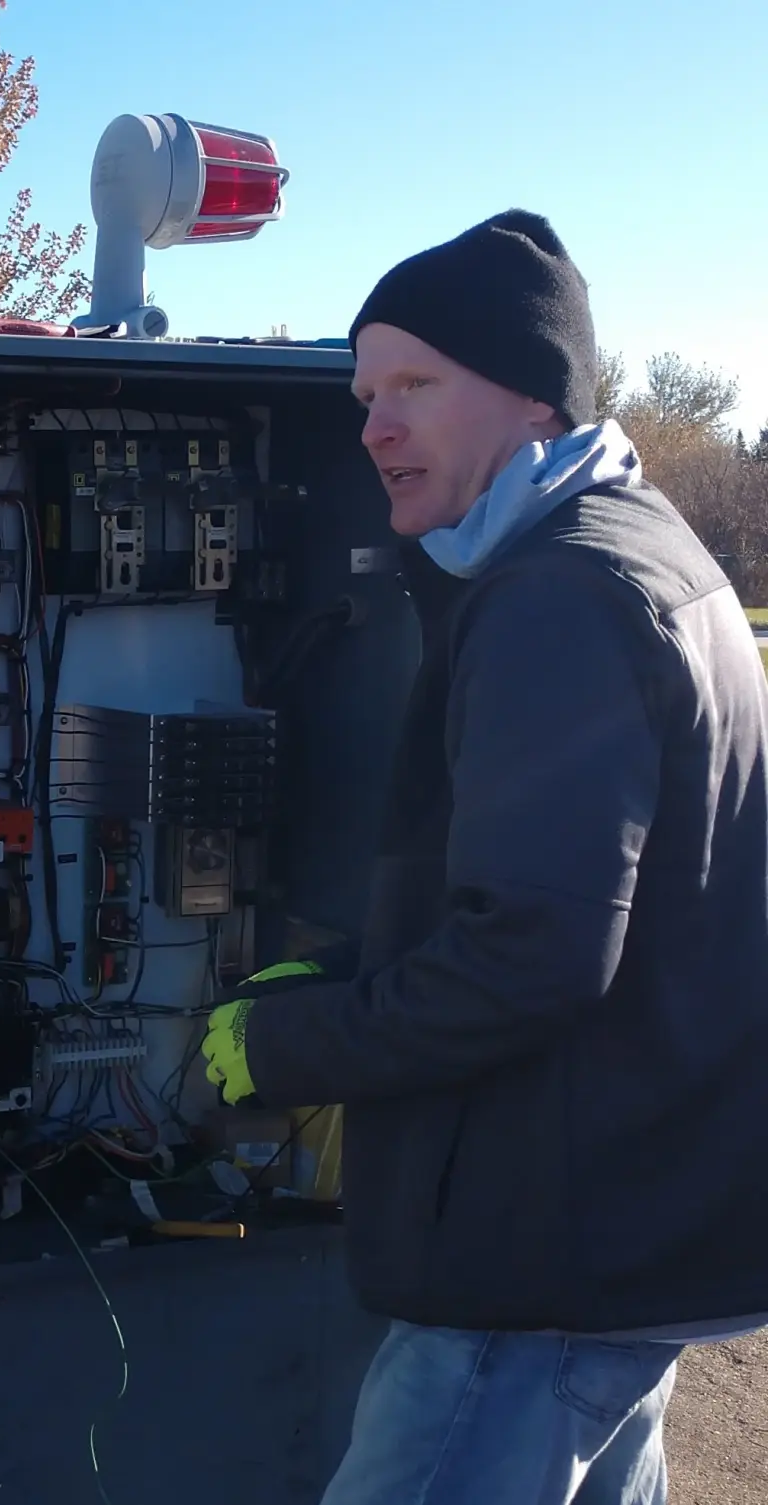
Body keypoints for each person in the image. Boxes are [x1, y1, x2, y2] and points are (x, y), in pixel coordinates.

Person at [199, 211, 768, 1505]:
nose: (374, 428)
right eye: (364, 395)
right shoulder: (640, 549)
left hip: (540, 1261)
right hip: (627, 1232)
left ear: (533, 398)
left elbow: (532, 956)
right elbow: (579, 901)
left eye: (415, 385)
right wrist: (349, 971)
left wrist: (286, 1047)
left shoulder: (557, 600)